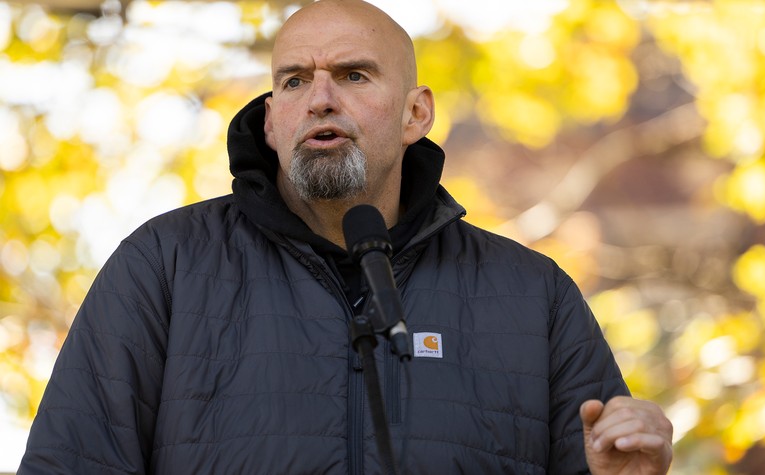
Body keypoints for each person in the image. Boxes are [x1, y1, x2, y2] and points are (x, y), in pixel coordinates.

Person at [19, 0, 673, 473]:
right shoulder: (164, 266)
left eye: (354, 75)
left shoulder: (534, 297)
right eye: (295, 80)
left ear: (416, 113)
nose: (321, 98)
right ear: (271, 120)